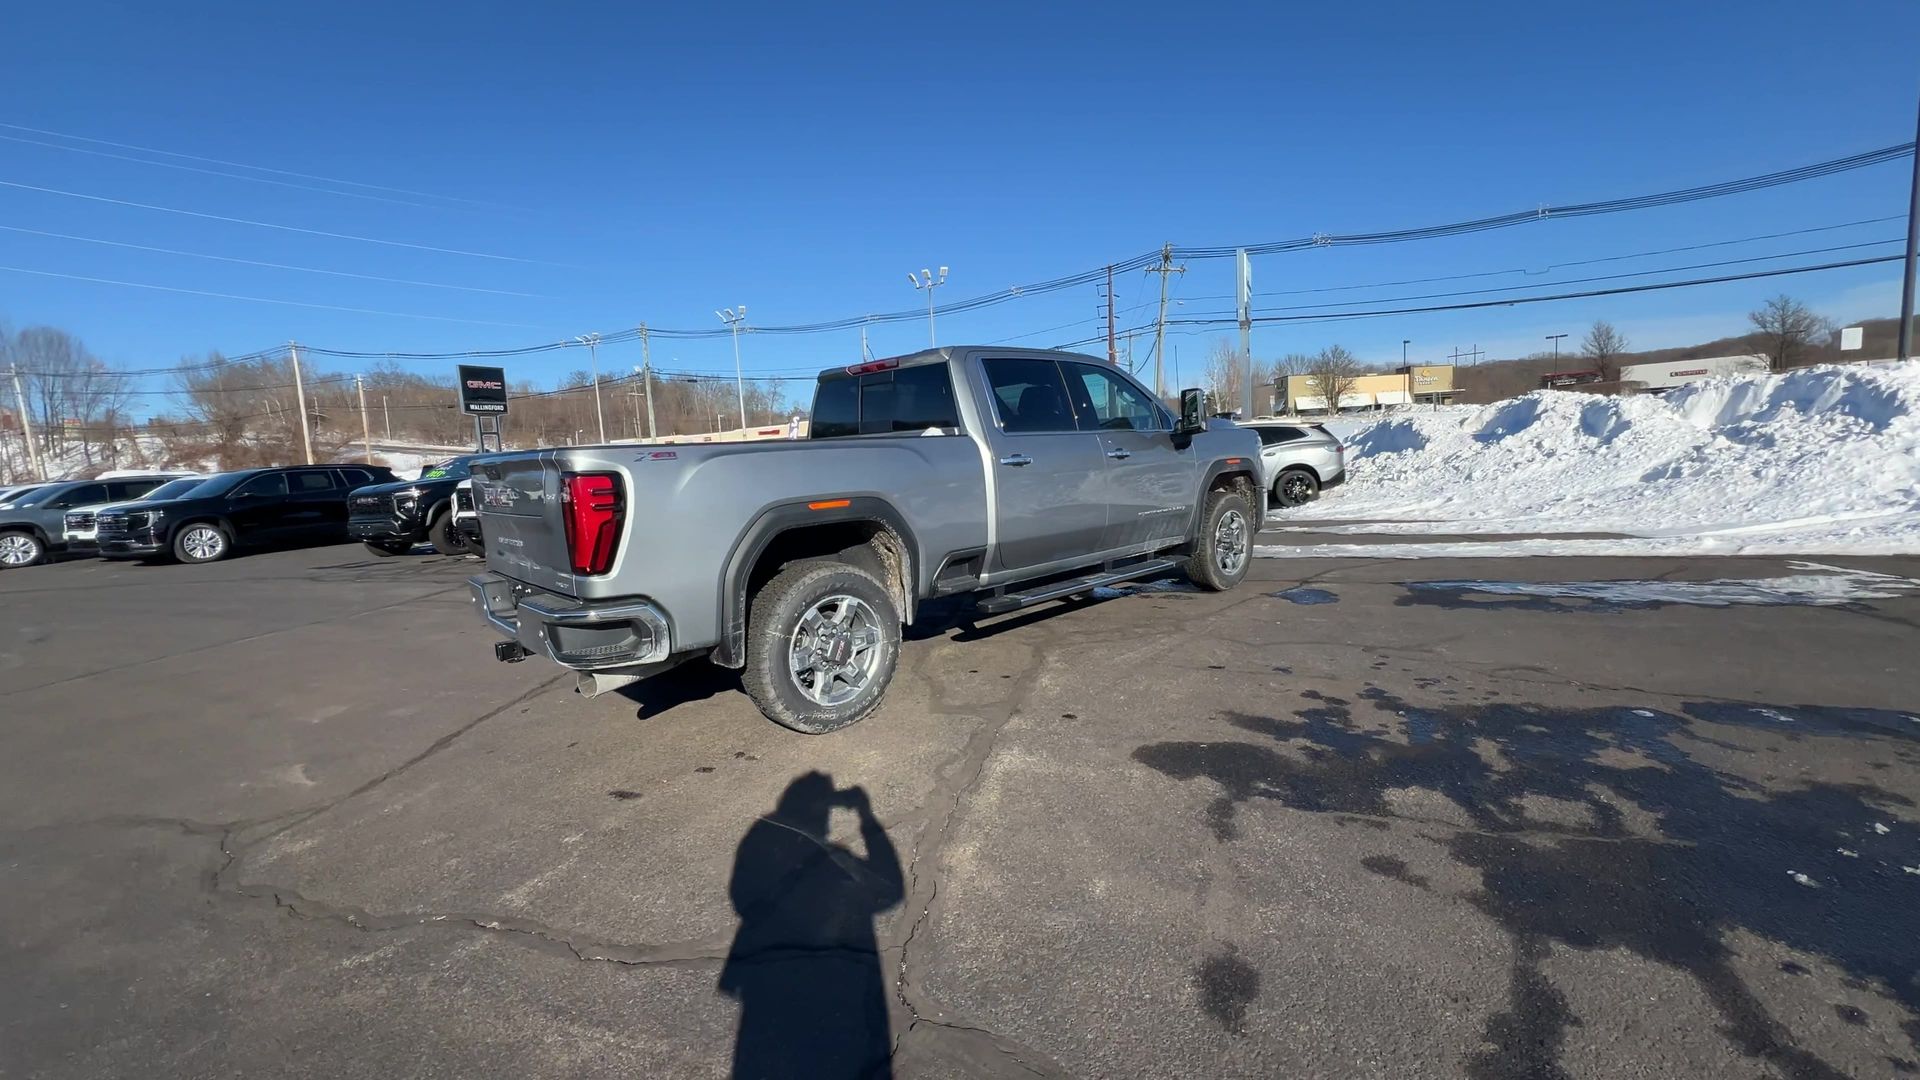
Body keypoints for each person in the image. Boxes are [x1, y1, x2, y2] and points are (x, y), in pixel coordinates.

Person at [718, 772, 903, 1079]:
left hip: (769, 991)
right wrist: (866, 814)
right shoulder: (831, 864)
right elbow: (890, 890)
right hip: (832, 990)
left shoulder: (762, 836)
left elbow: (741, 897)